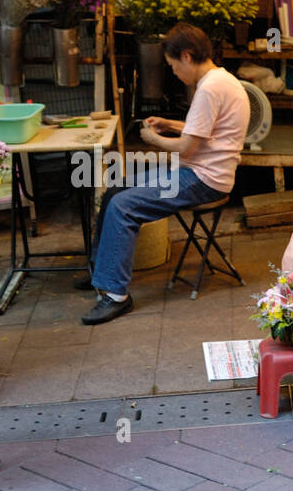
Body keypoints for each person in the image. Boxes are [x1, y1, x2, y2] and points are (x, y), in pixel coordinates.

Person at [81, 22, 250, 325]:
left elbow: (186, 148)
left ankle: (116, 296)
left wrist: (153, 140)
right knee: (116, 190)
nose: (173, 72)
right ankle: (102, 273)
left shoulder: (210, 88)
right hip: (199, 171)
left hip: (204, 180)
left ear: (186, 56)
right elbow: (201, 132)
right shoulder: (220, 81)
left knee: (123, 205)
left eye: (173, 65)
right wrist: (169, 124)